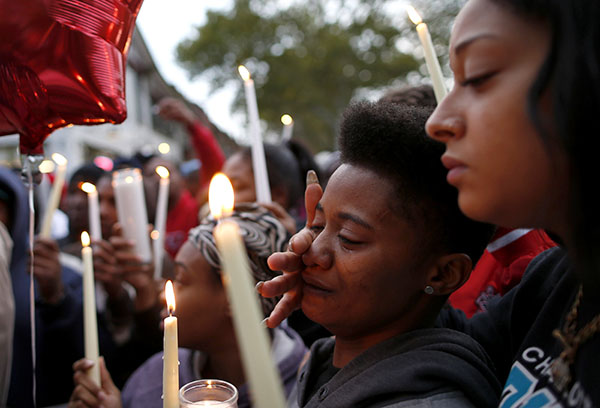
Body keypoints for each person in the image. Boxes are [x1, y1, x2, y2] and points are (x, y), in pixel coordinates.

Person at [263, 0, 600, 405]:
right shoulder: (556, 283)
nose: (437, 122)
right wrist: (315, 283)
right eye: (318, 225)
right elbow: (419, 336)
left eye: (477, 77)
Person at [278, 101, 501, 407]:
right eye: (317, 225)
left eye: (349, 238)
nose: (312, 251)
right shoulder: (322, 358)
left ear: (443, 274)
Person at [69, 204, 307, 408]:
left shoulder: (305, 391)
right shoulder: (153, 379)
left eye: (181, 279)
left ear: (234, 298)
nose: (165, 294)